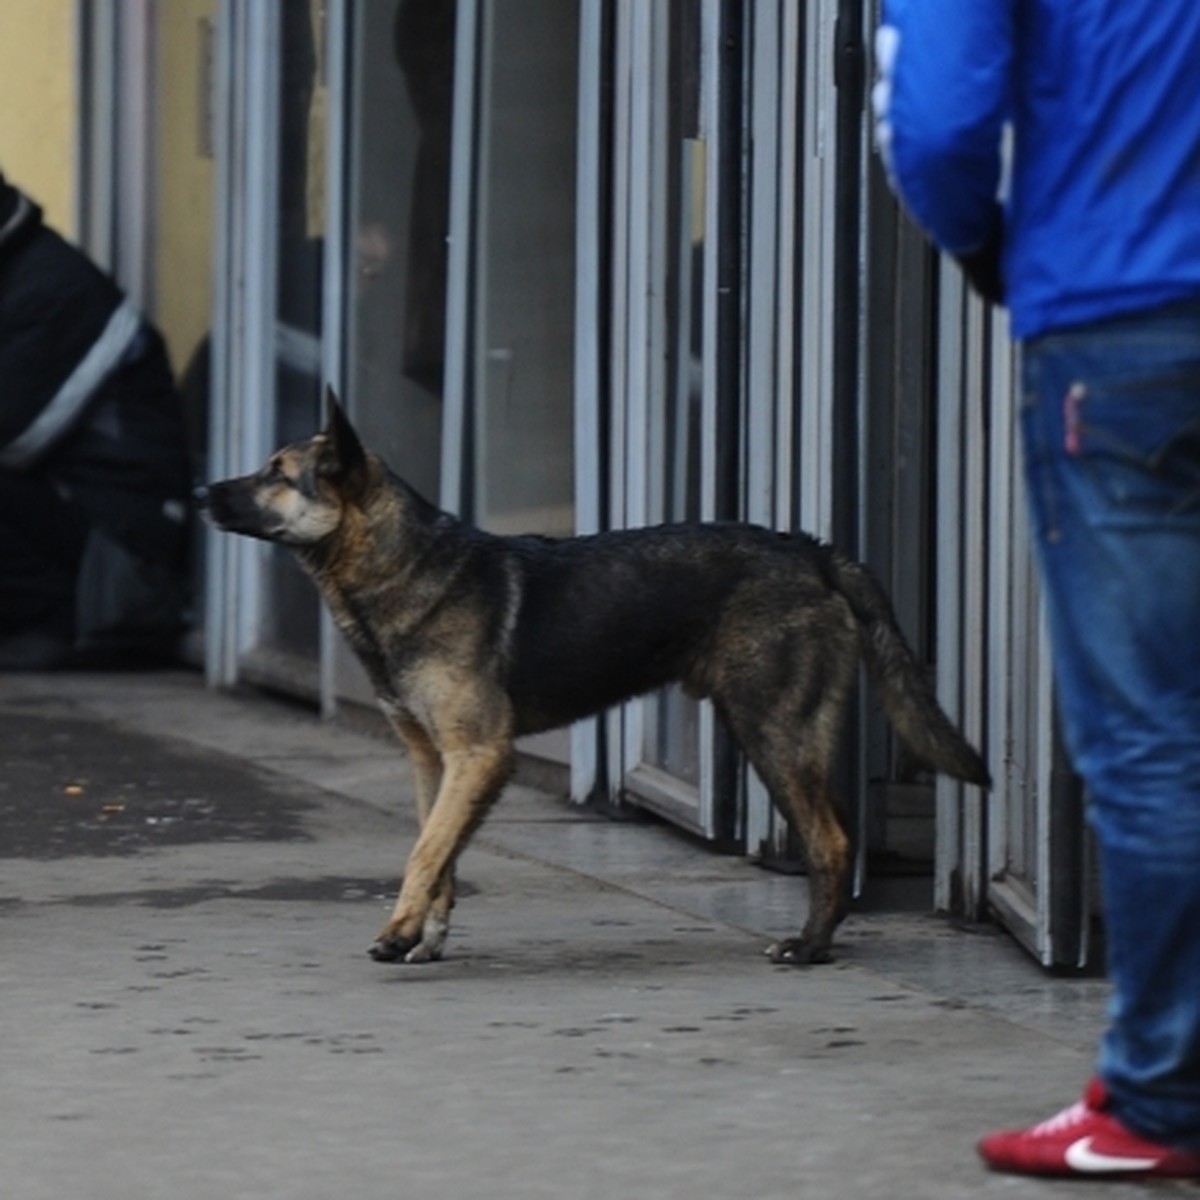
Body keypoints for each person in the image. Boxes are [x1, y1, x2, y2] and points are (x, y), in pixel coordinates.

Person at [873, 0, 1200, 1180]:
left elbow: (943, 118)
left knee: (1155, 742)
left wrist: (984, 246)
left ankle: (1164, 1104)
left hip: (1120, 327)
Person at [0, 173, 192, 669]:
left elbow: (13, 431)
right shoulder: (21, 273)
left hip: (124, 556)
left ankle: (54, 622)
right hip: (75, 519)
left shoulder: (51, 290)